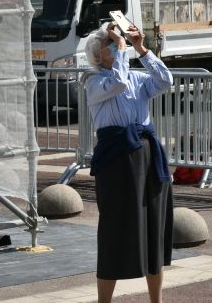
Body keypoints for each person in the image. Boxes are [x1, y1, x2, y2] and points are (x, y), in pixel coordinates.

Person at [85, 21, 174, 303]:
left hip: (147, 154)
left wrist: (140, 48)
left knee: (153, 227)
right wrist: (123, 49)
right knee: (115, 228)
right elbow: (118, 82)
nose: (114, 46)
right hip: (116, 159)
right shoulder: (95, 82)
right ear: (98, 57)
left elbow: (164, 82)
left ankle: (156, 299)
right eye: (108, 45)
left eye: (115, 42)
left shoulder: (135, 77)